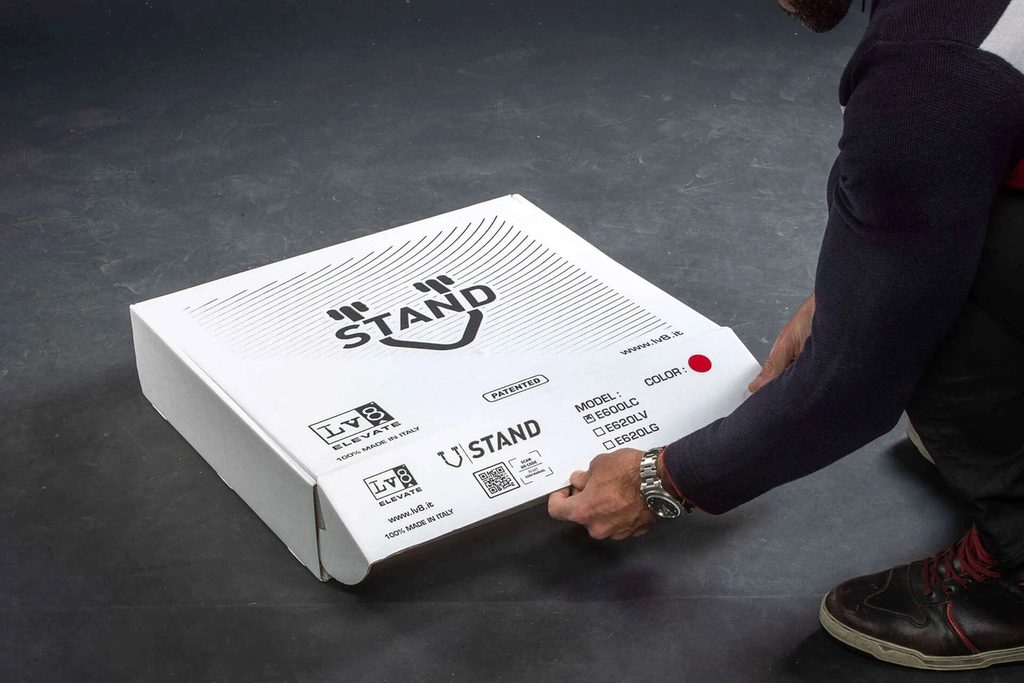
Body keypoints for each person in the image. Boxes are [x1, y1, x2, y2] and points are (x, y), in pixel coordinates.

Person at [548, 0, 1024, 671]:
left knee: (928, 311)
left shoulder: (934, 69)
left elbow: (856, 385)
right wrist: (860, 283)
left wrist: (660, 482)